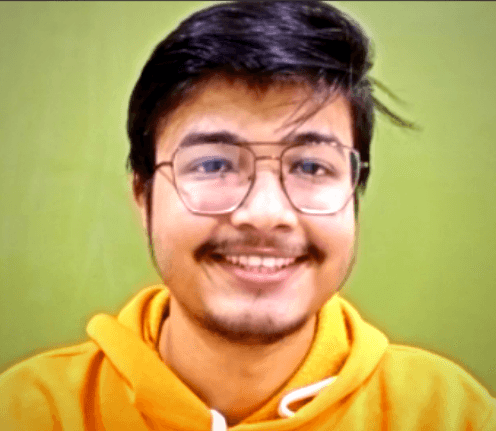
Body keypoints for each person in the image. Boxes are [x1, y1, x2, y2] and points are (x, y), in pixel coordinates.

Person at [0, 1, 494, 430]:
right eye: (213, 164)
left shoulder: (451, 415)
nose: (264, 213)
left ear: (354, 194)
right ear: (142, 194)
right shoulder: (28, 411)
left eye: (310, 166)